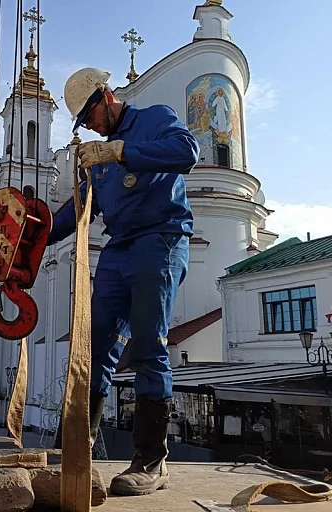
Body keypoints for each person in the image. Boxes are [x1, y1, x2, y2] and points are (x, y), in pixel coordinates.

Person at [50, 67, 198, 496]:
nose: (90, 126)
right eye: (83, 123)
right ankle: (76, 450)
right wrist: (31, 230)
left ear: (107, 97)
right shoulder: (97, 159)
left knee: (149, 344)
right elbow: (76, 211)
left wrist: (118, 151)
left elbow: (186, 151)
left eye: (90, 116)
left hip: (161, 238)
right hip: (120, 248)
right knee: (93, 345)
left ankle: (152, 461)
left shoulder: (154, 119)